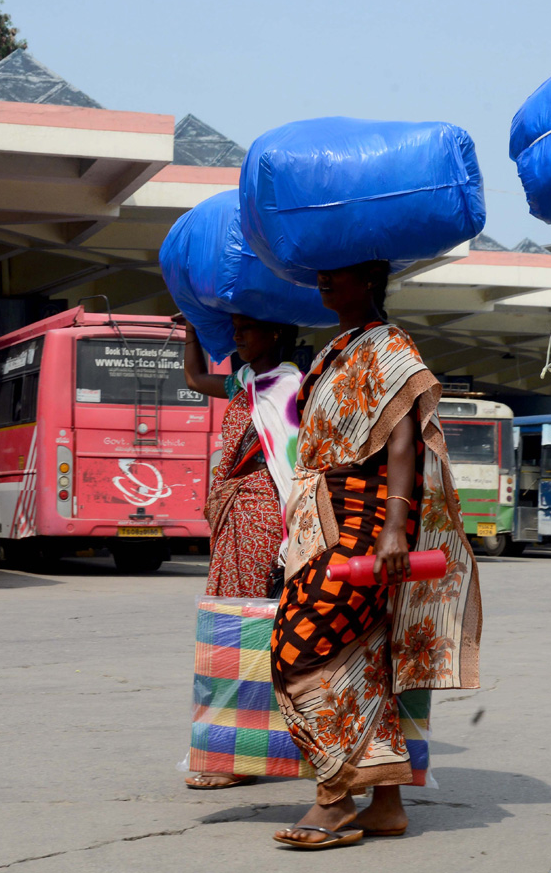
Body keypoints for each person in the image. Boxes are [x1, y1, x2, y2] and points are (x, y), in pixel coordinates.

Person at [269, 260, 481, 850]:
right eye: (323, 271)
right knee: (363, 655)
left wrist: (393, 529)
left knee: (298, 650)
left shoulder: (389, 344)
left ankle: (333, 797)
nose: (325, 279)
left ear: (371, 279)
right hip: (326, 519)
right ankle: (386, 803)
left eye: (341, 271)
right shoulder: (335, 348)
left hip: (369, 521)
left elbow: (403, 439)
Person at [176, 312, 304, 790]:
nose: (237, 338)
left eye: (246, 329)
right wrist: (191, 327)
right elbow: (192, 377)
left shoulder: (290, 387)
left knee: (245, 627)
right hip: (234, 514)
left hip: (262, 517)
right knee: (230, 625)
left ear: (274, 330)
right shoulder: (244, 383)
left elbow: (293, 462)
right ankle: (235, 745)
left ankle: (240, 755)